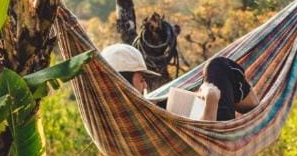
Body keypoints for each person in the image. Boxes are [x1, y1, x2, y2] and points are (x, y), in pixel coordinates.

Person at [101, 44, 259, 121]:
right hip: (218, 134)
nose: (145, 86)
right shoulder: (137, 117)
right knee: (218, 66)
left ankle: (252, 106)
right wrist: (210, 99)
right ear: (122, 80)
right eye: (141, 79)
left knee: (175, 99)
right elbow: (209, 141)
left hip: (195, 129)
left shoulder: (112, 114)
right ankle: (255, 106)